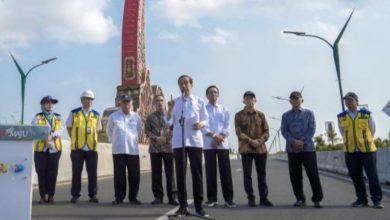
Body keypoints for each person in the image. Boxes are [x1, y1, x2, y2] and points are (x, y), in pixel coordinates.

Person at [166, 74, 209, 217]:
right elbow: (169, 123)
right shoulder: (175, 102)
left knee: (197, 174)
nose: (183, 85)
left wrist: (201, 124)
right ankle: (183, 206)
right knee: (180, 175)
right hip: (179, 142)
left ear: (191, 84)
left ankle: (198, 206)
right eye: (180, 83)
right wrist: (170, 110)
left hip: (195, 141)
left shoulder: (199, 101)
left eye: (185, 83)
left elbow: (205, 120)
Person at [337, 92, 383, 209]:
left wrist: (364, 142)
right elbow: (342, 132)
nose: (348, 102)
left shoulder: (366, 115)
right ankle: (362, 199)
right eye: (346, 101)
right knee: (356, 177)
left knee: (372, 176)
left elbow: (372, 130)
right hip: (350, 151)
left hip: (367, 150)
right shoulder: (341, 117)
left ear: (357, 101)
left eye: (351, 100)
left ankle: (377, 200)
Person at [281, 91, 323, 208]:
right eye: (292, 99)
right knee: (295, 176)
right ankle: (300, 198)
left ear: (302, 100)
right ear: (290, 101)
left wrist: (302, 141)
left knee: (313, 174)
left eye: (297, 98)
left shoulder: (309, 113)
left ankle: (317, 199)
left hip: (308, 148)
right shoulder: (285, 116)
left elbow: (312, 129)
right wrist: (293, 141)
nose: (294, 100)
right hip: (292, 149)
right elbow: (284, 131)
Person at [234, 91, 273, 207]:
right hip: (246, 149)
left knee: (262, 174)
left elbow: (266, 131)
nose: (249, 100)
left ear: (255, 101)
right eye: (247, 98)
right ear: (243, 101)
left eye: (251, 98)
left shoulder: (261, 115)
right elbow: (238, 132)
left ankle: (264, 198)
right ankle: (251, 198)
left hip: (260, 149)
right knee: (247, 175)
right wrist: (251, 141)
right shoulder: (238, 115)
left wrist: (259, 141)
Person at [203, 85, 236, 208]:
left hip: (222, 145)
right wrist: (214, 136)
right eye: (211, 92)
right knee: (210, 173)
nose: (213, 94)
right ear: (207, 95)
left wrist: (220, 138)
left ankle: (229, 199)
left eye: (215, 92)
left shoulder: (224, 109)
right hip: (208, 144)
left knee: (226, 173)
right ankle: (212, 199)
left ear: (218, 94)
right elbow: (203, 126)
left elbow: (227, 126)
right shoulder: (203, 109)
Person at [66, 90, 101, 203]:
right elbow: (69, 127)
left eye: (91, 99)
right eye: (87, 99)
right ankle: (75, 195)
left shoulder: (96, 115)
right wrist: (75, 138)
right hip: (78, 148)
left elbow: (98, 130)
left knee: (93, 173)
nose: (89, 101)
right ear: (82, 100)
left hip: (91, 148)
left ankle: (93, 195)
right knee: (76, 172)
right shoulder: (74, 112)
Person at [107, 95, 143, 205]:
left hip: (132, 150)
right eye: (124, 102)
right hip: (118, 150)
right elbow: (109, 131)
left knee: (134, 175)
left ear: (131, 104)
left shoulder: (136, 117)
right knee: (119, 175)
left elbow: (139, 131)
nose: (126, 105)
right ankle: (119, 197)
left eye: (128, 103)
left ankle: (133, 198)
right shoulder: (113, 116)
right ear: (120, 104)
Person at [145, 95, 178, 205]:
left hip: (168, 148)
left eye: (161, 100)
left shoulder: (171, 116)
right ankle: (158, 197)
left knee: (170, 174)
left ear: (164, 102)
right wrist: (156, 138)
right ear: (154, 103)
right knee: (156, 174)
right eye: (157, 101)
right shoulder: (150, 117)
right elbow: (147, 131)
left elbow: (175, 129)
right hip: (155, 149)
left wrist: (166, 139)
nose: (160, 102)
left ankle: (172, 197)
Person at [32, 96, 64, 204]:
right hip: (41, 149)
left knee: (52, 173)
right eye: (48, 103)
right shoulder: (38, 117)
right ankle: (42, 196)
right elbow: (34, 130)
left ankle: (51, 195)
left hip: (55, 149)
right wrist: (46, 140)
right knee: (41, 172)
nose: (50, 105)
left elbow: (61, 129)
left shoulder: (58, 117)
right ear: (43, 105)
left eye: (52, 103)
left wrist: (53, 136)